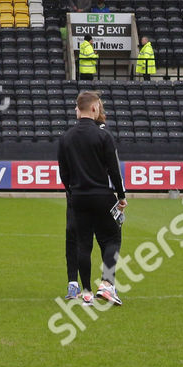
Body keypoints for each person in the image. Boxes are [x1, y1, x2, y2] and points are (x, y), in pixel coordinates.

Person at [57, 91, 126, 307]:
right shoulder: (103, 136)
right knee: (112, 238)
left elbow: (63, 172)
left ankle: (86, 293)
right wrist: (121, 196)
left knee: (83, 244)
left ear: (78, 109)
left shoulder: (66, 138)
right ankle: (106, 284)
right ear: (94, 108)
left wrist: (72, 191)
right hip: (101, 195)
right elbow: (114, 171)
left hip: (78, 197)